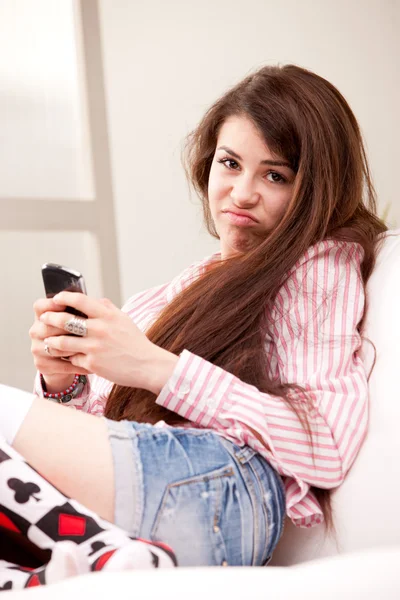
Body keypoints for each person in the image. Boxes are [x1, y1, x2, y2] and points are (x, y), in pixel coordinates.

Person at [0, 64, 388, 579]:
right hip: (162, 489)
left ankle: (97, 550)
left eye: (275, 175)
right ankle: (99, 557)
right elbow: (107, 435)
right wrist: (64, 383)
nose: (242, 192)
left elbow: (326, 445)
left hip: (219, 490)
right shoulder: (188, 287)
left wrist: (156, 367)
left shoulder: (317, 266)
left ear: (314, 189)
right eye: (230, 164)